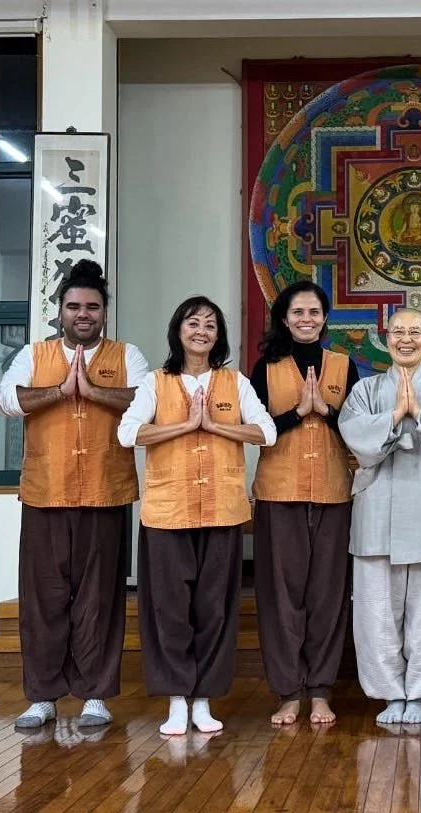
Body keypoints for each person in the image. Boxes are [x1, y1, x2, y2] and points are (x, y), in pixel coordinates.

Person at [0, 259, 149, 730]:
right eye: (74, 306)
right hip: (45, 494)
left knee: (100, 599)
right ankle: (42, 696)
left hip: (106, 493)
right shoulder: (33, 355)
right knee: (43, 599)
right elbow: (5, 401)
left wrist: (94, 391)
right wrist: (60, 391)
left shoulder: (127, 355)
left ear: (104, 313)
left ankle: (95, 695)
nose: (84, 313)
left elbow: (148, 405)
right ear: (59, 310)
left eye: (93, 307)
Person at [118, 296, 276, 735]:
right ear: (178, 330)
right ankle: (175, 699)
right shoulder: (156, 382)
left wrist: (215, 426)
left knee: (213, 608)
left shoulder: (236, 382)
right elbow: (128, 432)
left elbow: (266, 431)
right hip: (168, 513)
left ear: (218, 336)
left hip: (223, 512)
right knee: (169, 608)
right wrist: (185, 426)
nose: (201, 330)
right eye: (193, 322)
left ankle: (204, 699)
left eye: (210, 324)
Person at [339, 308, 421, 725]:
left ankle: (420, 695)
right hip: (377, 511)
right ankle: (387, 694)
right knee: (376, 608)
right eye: (398, 331)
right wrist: (395, 415)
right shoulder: (364, 390)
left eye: (416, 332)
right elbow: (353, 435)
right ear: (385, 338)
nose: (406, 339)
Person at [249, 280, 360, 726]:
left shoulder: (343, 365)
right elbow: (256, 429)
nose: (307, 320)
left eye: (314, 312)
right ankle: (289, 691)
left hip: (334, 491)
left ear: (325, 318)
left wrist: (327, 413)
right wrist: (299, 412)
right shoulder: (266, 367)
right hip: (280, 490)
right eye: (298, 313)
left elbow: (359, 431)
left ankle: (320, 690)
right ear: (284, 318)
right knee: (282, 595)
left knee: (328, 594)